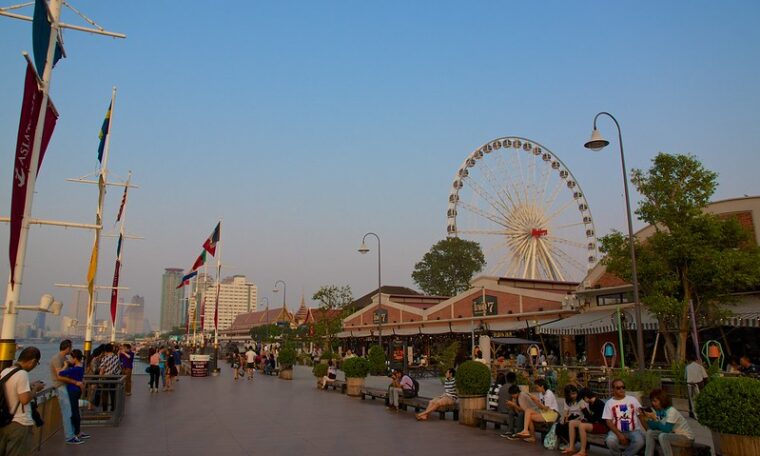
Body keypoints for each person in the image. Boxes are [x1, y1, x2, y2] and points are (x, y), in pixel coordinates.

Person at [0, 347, 47, 453]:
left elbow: (11, 389)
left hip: (4, 420)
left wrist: (29, 386)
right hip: (19, 423)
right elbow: (24, 399)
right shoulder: (22, 374)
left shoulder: (6, 371)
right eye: (36, 363)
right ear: (33, 361)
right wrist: (36, 388)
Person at [643, 389, 694, 456]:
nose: (653, 403)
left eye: (655, 401)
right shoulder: (659, 411)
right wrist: (649, 419)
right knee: (650, 432)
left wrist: (655, 419)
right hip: (673, 434)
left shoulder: (671, 411)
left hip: (686, 438)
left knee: (663, 436)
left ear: (662, 400)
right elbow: (653, 427)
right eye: (652, 401)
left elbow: (666, 429)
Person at [49, 339, 82, 444]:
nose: (71, 350)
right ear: (67, 348)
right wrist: (75, 382)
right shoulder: (57, 358)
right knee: (67, 411)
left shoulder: (64, 358)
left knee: (70, 410)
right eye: (70, 348)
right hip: (60, 387)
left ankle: (73, 433)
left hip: (66, 386)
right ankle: (69, 436)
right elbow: (60, 376)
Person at [602, 378, 645, 456]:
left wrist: (647, 429)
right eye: (618, 388)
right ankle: (618, 454)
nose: (621, 389)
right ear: (613, 390)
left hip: (633, 430)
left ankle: (625, 455)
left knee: (640, 442)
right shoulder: (609, 403)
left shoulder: (632, 400)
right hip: (616, 431)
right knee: (610, 441)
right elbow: (608, 421)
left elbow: (640, 415)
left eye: (623, 387)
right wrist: (619, 434)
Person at [57, 349, 88, 443]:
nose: (69, 359)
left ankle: (77, 432)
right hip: (77, 390)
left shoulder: (74, 369)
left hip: (72, 391)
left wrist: (65, 366)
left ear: (75, 358)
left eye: (71, 358)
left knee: (74, 411)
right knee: (76, 410)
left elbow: (60, 373)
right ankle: (77, 431)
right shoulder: (80, 367)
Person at [564, 389, 607, 456]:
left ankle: (582, 451)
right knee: (572, 423)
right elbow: (590, 418)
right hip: (594, 423)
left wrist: (584, 409)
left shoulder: (599, 404)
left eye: (583, 399)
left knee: (582, 426)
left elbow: (593, 419)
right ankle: (571, 447)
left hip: (602, 426)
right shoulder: (591, 403)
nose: (583, 401)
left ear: (586, 397)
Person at [515, 378, 559, 443]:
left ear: (542, 386)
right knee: (528, 411)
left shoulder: (549, 393)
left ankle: (531, 436)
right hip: (545, 413)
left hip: (552, 414)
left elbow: (546, 408)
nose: (536, 389)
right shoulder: (541, 393)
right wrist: (535, 400)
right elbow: (540, 407)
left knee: (529, 416)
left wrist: (536, 400)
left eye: (537, 387)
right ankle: (526, 430)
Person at [497, 372, 522, 438]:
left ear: (506, 378)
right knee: (515, 412)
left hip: (500, 409)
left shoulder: (502, 387)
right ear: (514, 379)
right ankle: (516, 431)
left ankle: (511, 430)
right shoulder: (514, 388)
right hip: (508, 410)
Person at [685, 354, 708, 419]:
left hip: (690, 385)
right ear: (695, 360)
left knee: (692, 401)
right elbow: (705, 377)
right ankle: (701, 414)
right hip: (699, 384)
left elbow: (685, 377)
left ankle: (694, 415)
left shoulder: (687, 367)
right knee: (700, 400)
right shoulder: (700, 366)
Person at [99, 344, 121, 410]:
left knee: (105, 393)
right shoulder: (116, 357)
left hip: (106, 377)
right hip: (114, 377)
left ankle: (104, 409)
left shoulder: (105, 358)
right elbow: (119, 367)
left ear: (105, 350)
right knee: (113, 393)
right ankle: (113, 408)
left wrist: (100, 377)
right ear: (112, 349)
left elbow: (102, 369)